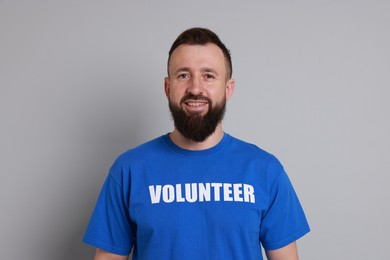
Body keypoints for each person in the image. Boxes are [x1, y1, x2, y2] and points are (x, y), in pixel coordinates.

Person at [83, 27, 310, 260]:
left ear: (228, 88)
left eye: (208, 75)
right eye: (183, 75)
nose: (195, 88)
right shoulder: (129, 169)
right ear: (167, 87)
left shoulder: (265, 170)